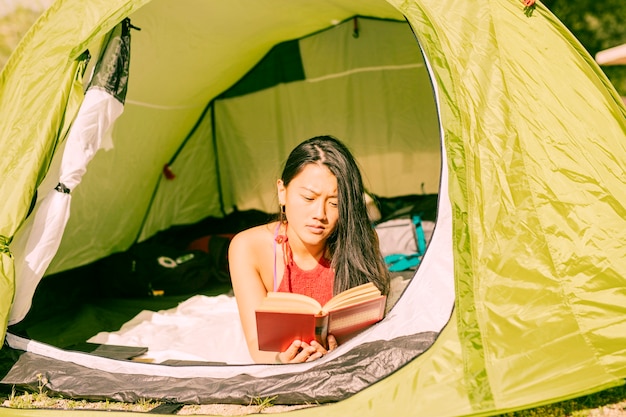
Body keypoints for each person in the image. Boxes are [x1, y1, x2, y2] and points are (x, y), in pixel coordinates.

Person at [229, 135, 390, 364]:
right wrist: (281, 361)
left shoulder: (359, 242)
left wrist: (341, 352)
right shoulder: (248, 247)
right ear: (282, 191)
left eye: (335, 203)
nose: (320, 214)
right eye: (308, 198)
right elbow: (257, 345)